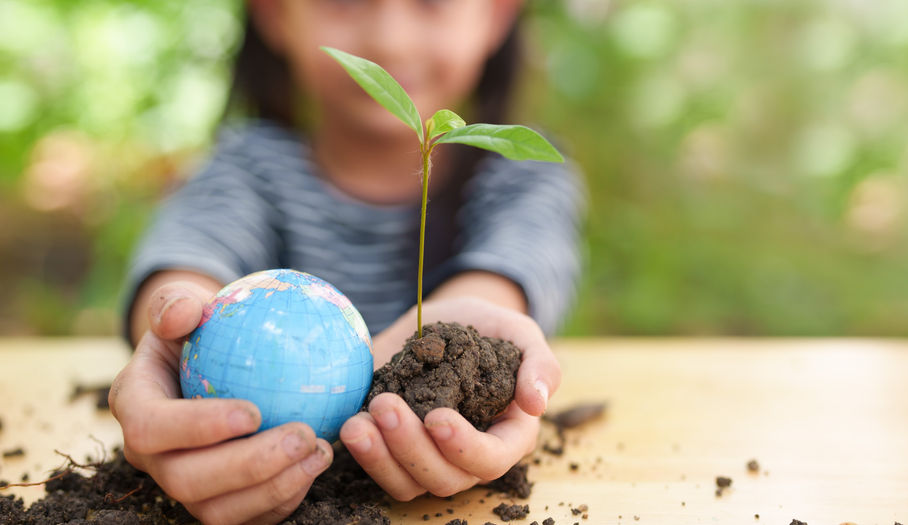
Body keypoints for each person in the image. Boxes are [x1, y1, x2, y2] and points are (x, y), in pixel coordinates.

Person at [107, 1, 583, 523]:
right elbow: (189, 258)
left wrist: (468, 343)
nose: (389, 41)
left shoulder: (519, 178)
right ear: (273, 13)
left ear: (495, 16)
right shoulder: (246, 169)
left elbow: (508, 274)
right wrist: (176, 329)